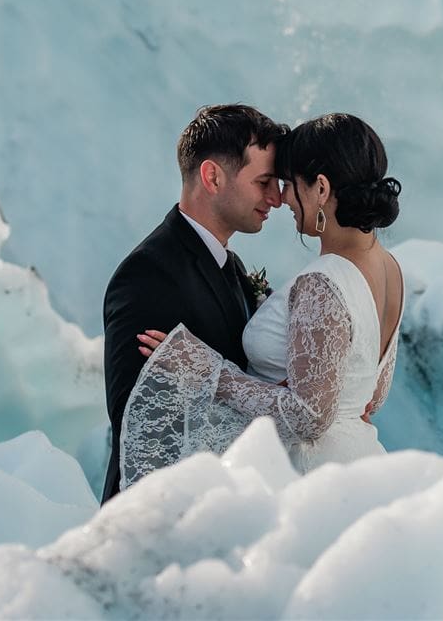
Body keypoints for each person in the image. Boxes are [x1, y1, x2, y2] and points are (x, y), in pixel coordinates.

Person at [117, 112, 405, 488]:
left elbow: (309, 416)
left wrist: (211, 372)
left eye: (288, 183)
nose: (282, 197)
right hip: (362, 466)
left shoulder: (323, 280)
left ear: (320, 189)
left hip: (310, 478)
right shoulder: (392, 270)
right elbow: (372, 398)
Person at [99, 103, 286, 502]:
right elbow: (138, 423)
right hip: (159, 515)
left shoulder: (231, 267)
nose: (276, 199)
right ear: (213, 176)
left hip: (219, 506)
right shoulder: (147, 275)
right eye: (264, 182)